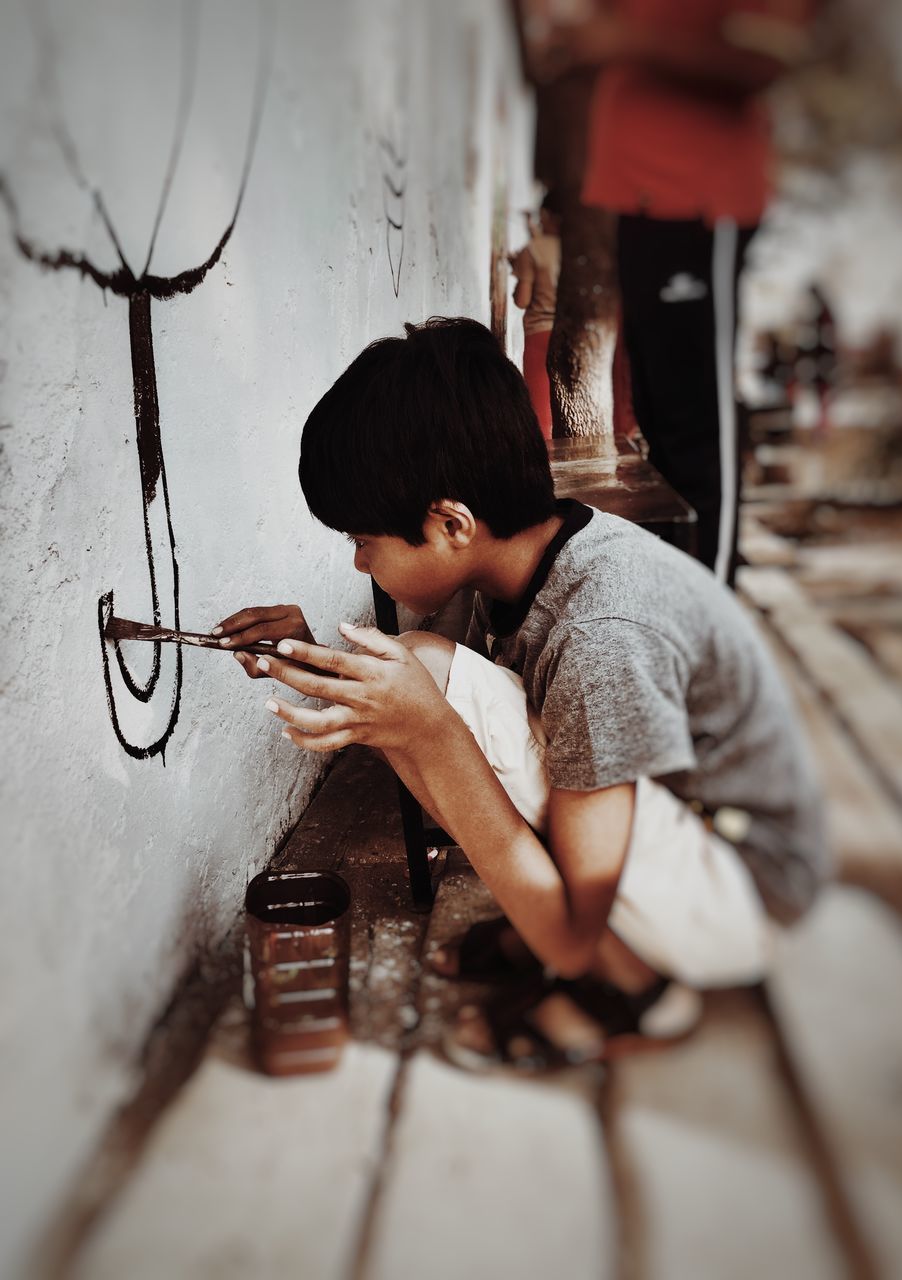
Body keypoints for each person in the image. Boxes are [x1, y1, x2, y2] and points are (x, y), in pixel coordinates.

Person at [216, 318, 828, 1071]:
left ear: (450, 524)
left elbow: (454, 728)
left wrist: (432, 732)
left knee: (428, 688)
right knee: (420, 680)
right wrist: (306, 652)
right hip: (678, 830)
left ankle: (631, 988)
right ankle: (600, 945)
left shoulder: (603, 630)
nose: (357, 560)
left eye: (364, 539)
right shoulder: (524, 554)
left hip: (745, 890)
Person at [538, 1, 815, 583]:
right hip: (635, 197)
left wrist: (624, 40)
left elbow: (769, 56)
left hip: (698, 200)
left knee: (694, 436)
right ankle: (675, 615)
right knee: (659, 431)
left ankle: (713, 626)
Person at [509, 197, 562, 440]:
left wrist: (518, 275)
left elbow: (522, 300)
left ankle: (547, 465)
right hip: (571, 333)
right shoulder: (577, 247)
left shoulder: (533, 250)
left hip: (539, 333)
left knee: (541, 412)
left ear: (548, 216)